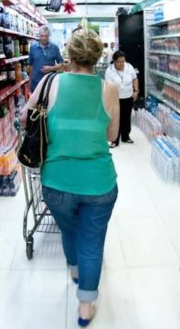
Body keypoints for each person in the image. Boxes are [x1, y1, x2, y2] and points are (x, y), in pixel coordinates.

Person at [19, 27, 119, 327]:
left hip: (56, 183)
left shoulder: (50, 83)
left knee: (69, 230)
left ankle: (74, 270)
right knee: (92, 241)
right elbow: (112, 135)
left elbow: (24, 118)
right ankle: (86, 305)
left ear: (69, 55)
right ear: (97, 57)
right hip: (99, 183)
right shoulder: (109, 89)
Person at [104, 50, 138, 148]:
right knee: (115, 119)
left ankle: (126, 136)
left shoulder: (129, 67)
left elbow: (135, 79)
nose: (121, 64)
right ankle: (114, 139)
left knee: (127, 117)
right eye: (119, 62)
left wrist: (136, 91)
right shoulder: (109, 71)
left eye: (123, 61)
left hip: (128, 96)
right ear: (114, 61)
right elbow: (109, 86)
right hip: (116, 98)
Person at [28, 26, 65, 92]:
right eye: (42, 36)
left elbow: (61, 64)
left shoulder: (54, 48)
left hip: (49, 83)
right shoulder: (33, 48)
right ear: (39, 36)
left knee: (49, 101)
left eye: (46, 36)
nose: (44, 38)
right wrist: (30, 81)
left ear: (49, 36)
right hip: (35, 83)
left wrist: (51, 68)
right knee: (36, 101)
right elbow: (31, 65)